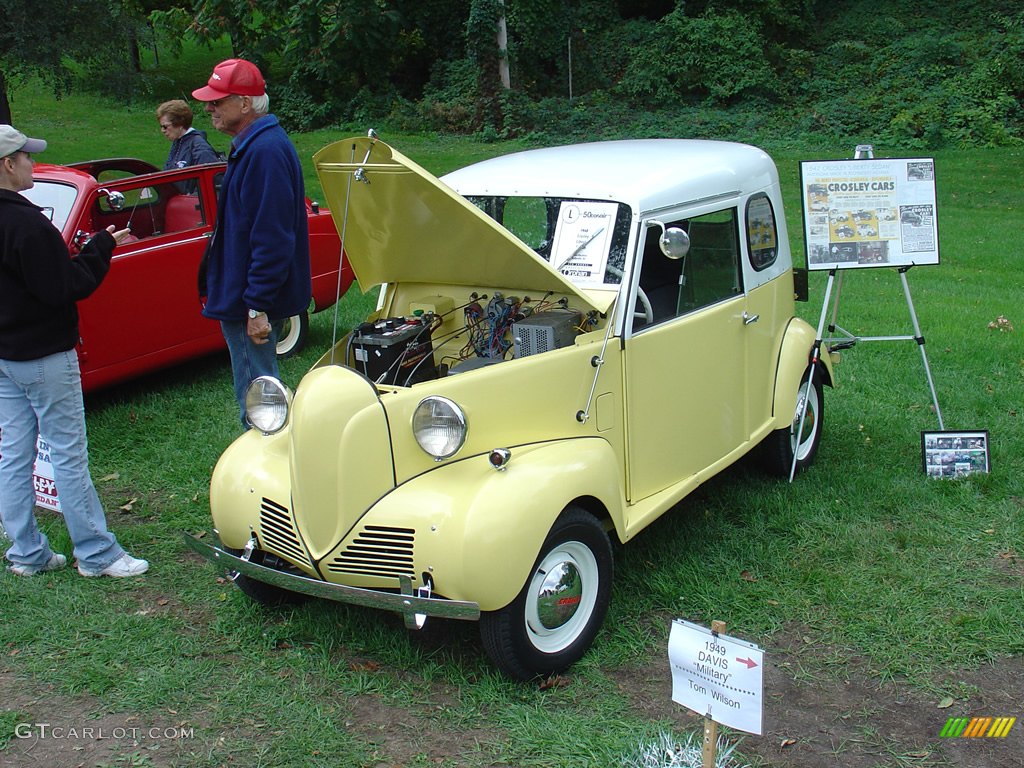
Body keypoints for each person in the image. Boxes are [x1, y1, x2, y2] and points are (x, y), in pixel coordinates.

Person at [0, 125, 149, 578]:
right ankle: (97, 553)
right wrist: (103, 246)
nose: (32, 163)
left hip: (6, 355)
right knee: (66, 451)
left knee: (13, 453)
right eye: (26, 156)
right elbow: (64, 287)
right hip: (43, 354)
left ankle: (26, 552)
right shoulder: (25, 223)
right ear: (8, 164)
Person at [191, 59, 312, 423]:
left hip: (250, 302)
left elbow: (272, 237)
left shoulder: (264, 152)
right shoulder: (255, 145)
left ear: (245, 103)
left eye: (218, 100)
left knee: (258, 400)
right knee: (261, 390)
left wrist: (256, 306)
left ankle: (260, 471)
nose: (209, 107)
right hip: (246, 298)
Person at [156, 99, 222, 170]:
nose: (162, 130)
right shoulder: (178, 142)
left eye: (165, 127)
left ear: (179, 123)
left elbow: (210, 175)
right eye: (161, 127)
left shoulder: (199, 147)